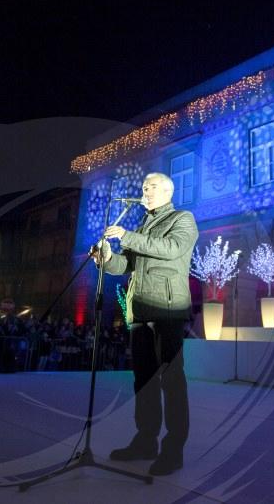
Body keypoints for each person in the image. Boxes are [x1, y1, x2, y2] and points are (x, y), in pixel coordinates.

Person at [92, 172, 198, 476]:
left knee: (172, 381)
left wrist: (126, 236)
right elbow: (124, 265)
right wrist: (108, 255)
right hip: (139, 312)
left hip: (167, 309)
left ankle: (174, 448)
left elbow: (171, 249)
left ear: (167, 190)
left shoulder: (182, 218)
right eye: (143, 188)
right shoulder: (142, 226)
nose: (145, 191)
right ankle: (145, 441)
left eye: (150, 187)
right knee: (144, 381)